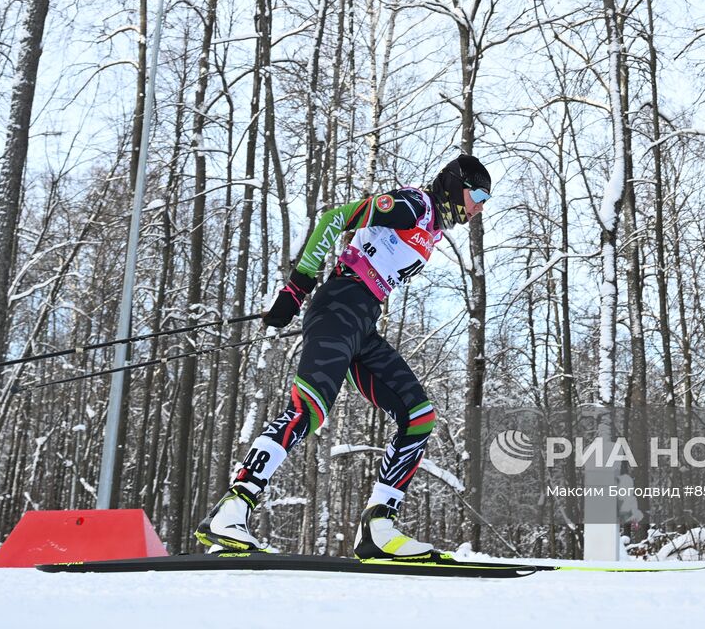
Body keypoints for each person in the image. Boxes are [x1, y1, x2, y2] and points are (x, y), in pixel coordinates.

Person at [195, 154, 492, 560]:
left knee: (419, 416)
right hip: (339, 306)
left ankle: (378, 528)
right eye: (477, 195)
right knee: (308, 411)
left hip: (362, 324)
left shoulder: (431, 229)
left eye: (484, 200)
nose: (479, 207)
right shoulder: (413, 204)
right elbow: (336, 217)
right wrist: (296, 288)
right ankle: (231, 509)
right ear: (456, 185)